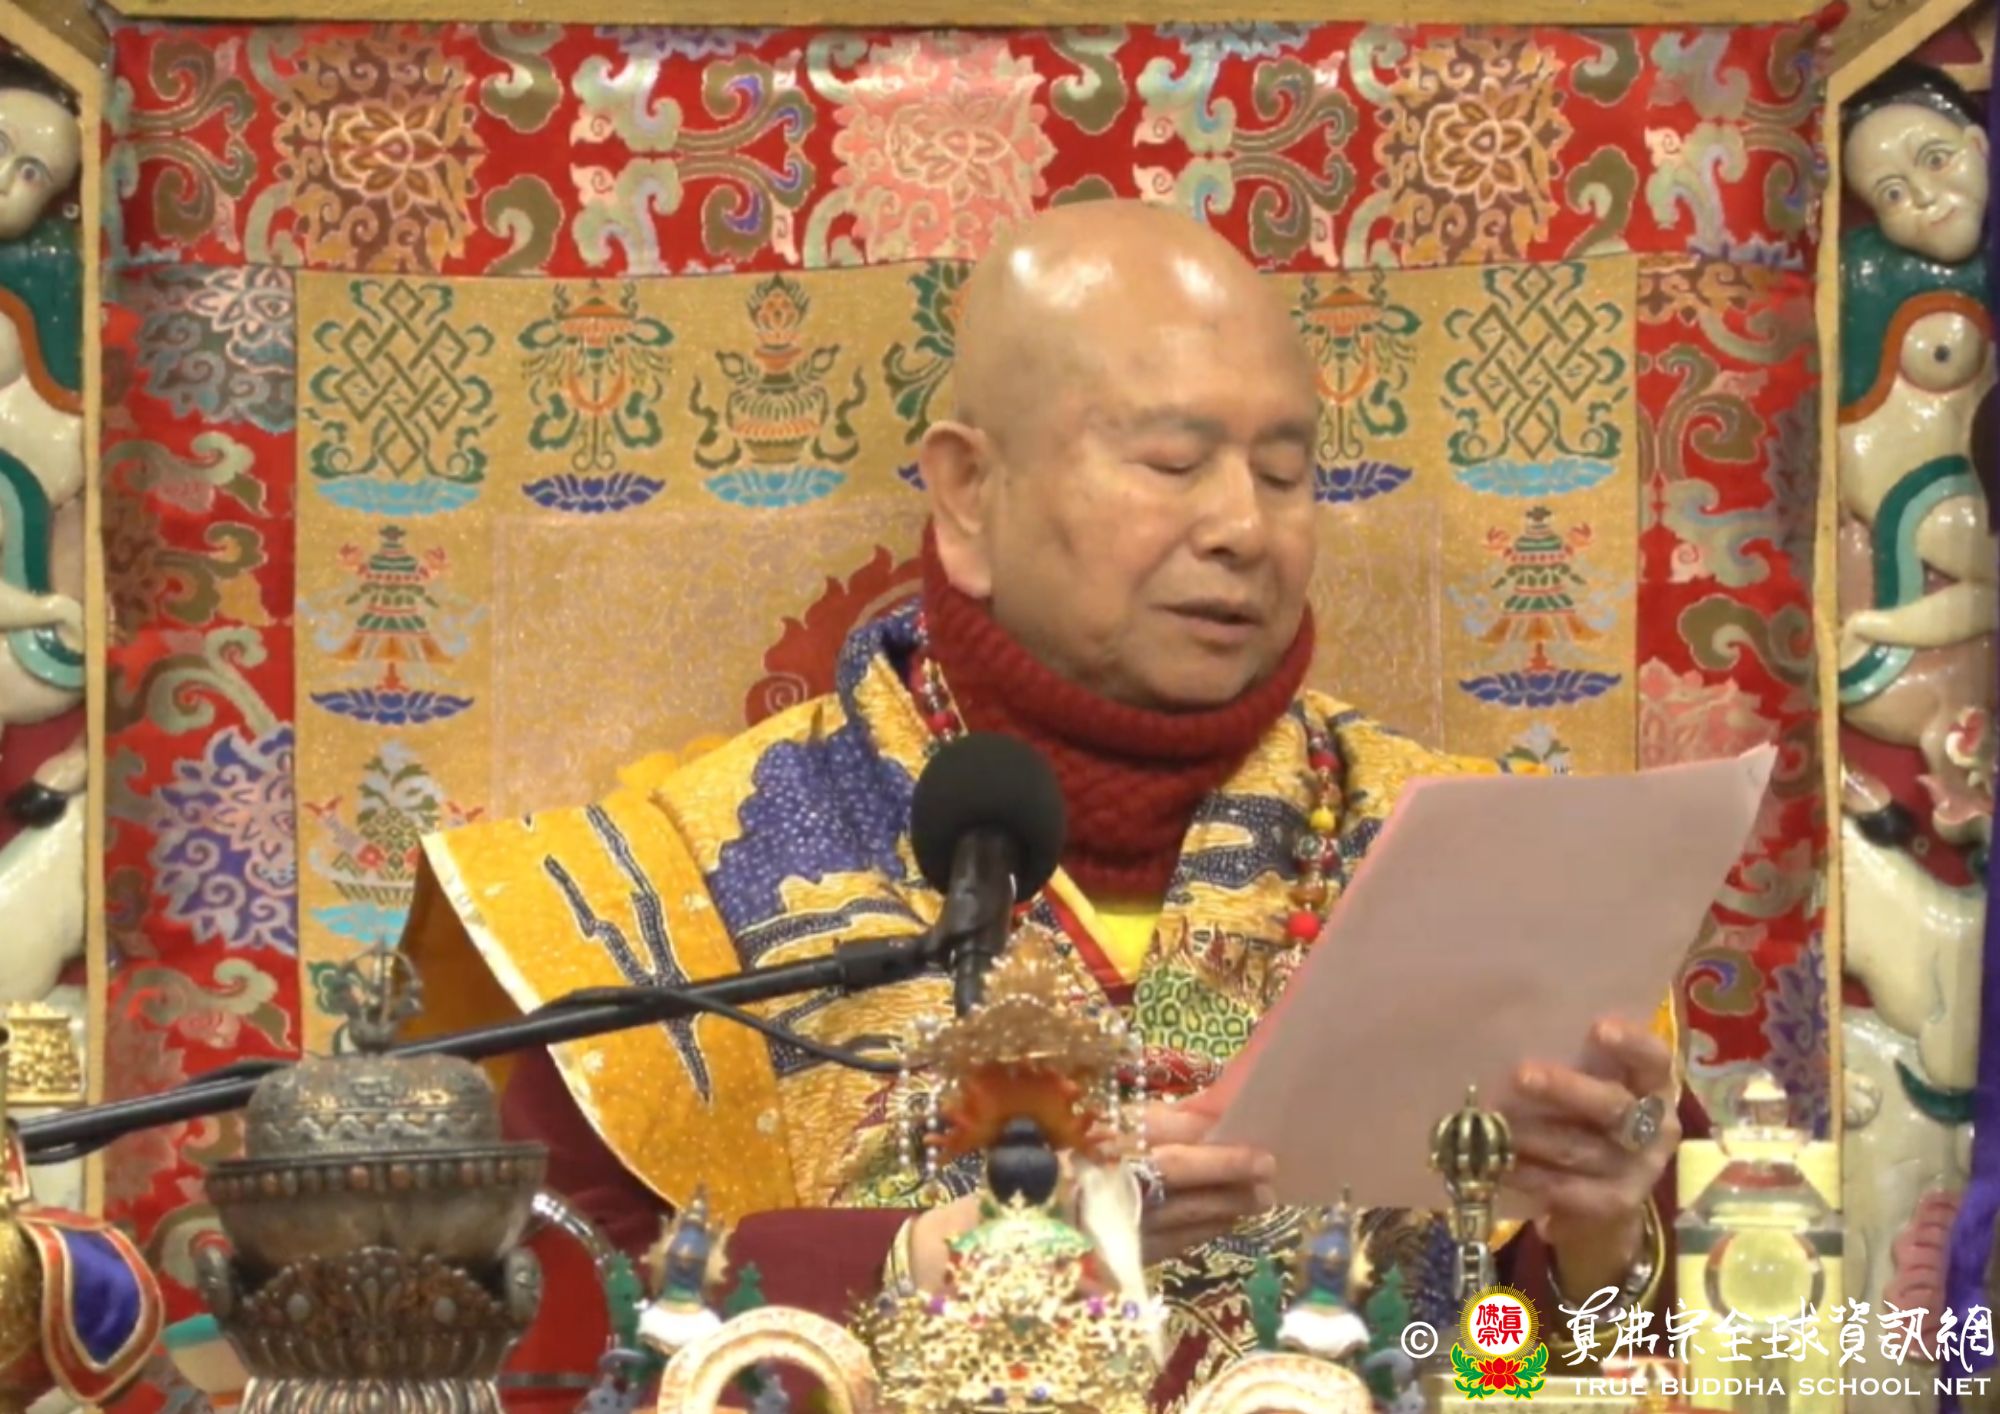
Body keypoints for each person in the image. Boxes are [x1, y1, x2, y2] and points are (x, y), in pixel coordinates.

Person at [403, 200, 1680, 1404]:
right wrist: (926, 1260)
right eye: (1172, 461)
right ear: (968, 492)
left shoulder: (1472, 860)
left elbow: (1598, 1362)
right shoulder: (670, 892)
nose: (1243, 527)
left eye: (1286, 472)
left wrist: (1601, 1239)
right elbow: (553, 1343)